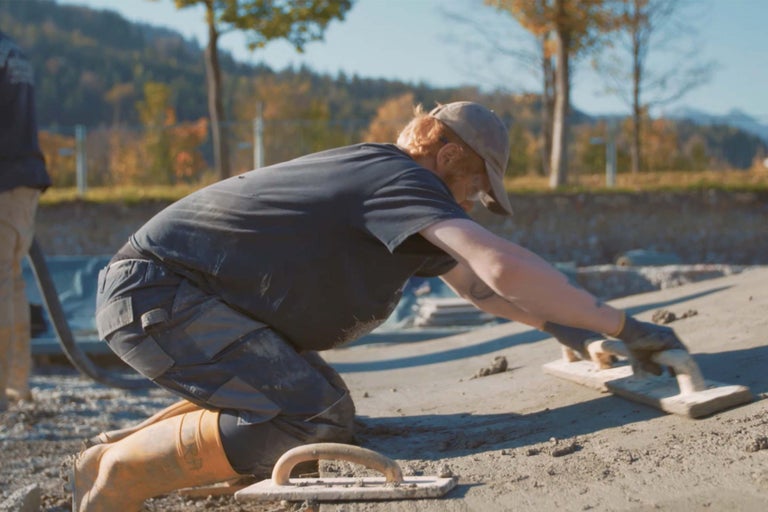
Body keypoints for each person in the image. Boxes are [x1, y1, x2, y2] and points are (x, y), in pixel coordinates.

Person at [72, 101, 686, 511]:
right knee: (314, 419)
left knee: (311, 399)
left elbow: (478, 288)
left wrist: (560, 324)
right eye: (476, 185)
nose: (474, 202)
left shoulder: (396, 200)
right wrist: (625, 325)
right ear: (447, 157)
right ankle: (123, 473)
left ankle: (108, 452)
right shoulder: (400, 182)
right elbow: (499, 263)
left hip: (167, 295)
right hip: (158, 294)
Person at [0, 32, 51, 411]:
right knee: (9, 280)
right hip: (25, 177)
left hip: (5, 177)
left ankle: (3, 388)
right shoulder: (11, 49)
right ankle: (15, 384)